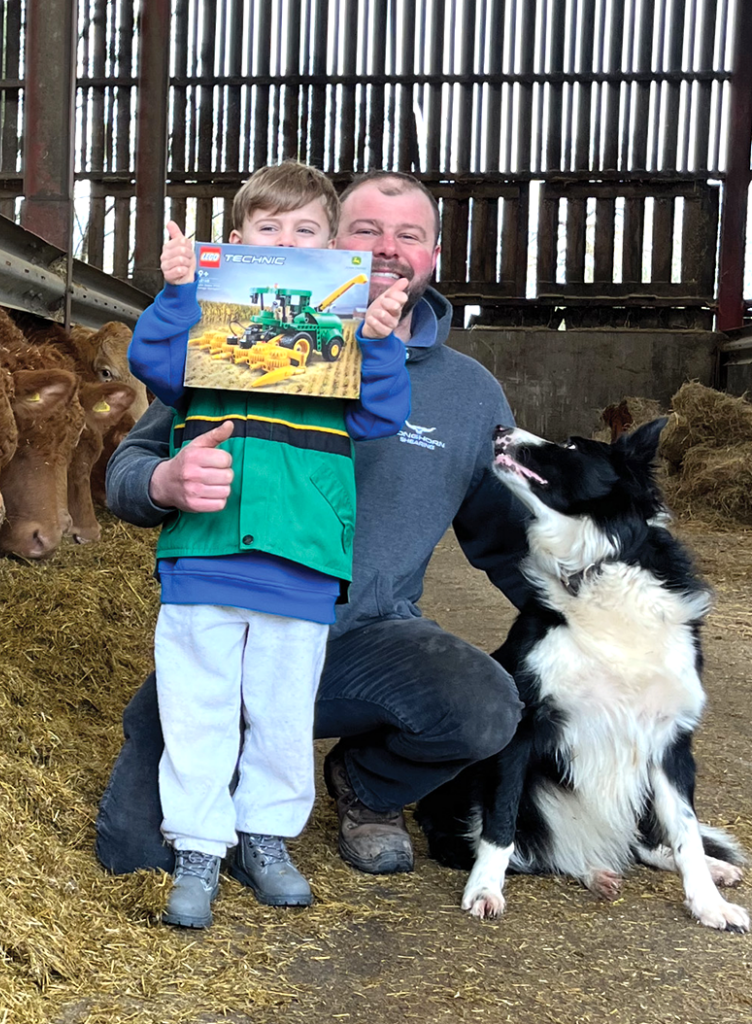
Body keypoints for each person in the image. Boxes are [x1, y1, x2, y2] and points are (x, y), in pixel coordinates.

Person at [97, 169, 531, 889]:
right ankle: (209, 824)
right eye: (367, 231)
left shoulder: (469, 393)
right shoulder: (224, 338)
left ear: (434, 255)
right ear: (335, 246)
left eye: (409, 236)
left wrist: (601, 623)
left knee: (485, 705)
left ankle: (366, 783)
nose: (388, 249)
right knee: (134, 850)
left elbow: (508, 541)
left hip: (366, 634)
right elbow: (130, 466)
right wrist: (162, 482)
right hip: (228, 600)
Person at [121, 161, 412, 929]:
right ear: (239, 241)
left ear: (330, 245)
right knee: (198, 708)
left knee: (282, 714)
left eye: (306, 230)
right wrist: (180, 291)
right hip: (204, 555)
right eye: (268, 228)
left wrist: (377, 341)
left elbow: (380, 417)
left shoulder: (341, 335)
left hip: (303, 559)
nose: (287, 240)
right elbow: (150, 363)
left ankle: (267, 837)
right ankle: (198, 845)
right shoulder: (206, 342)